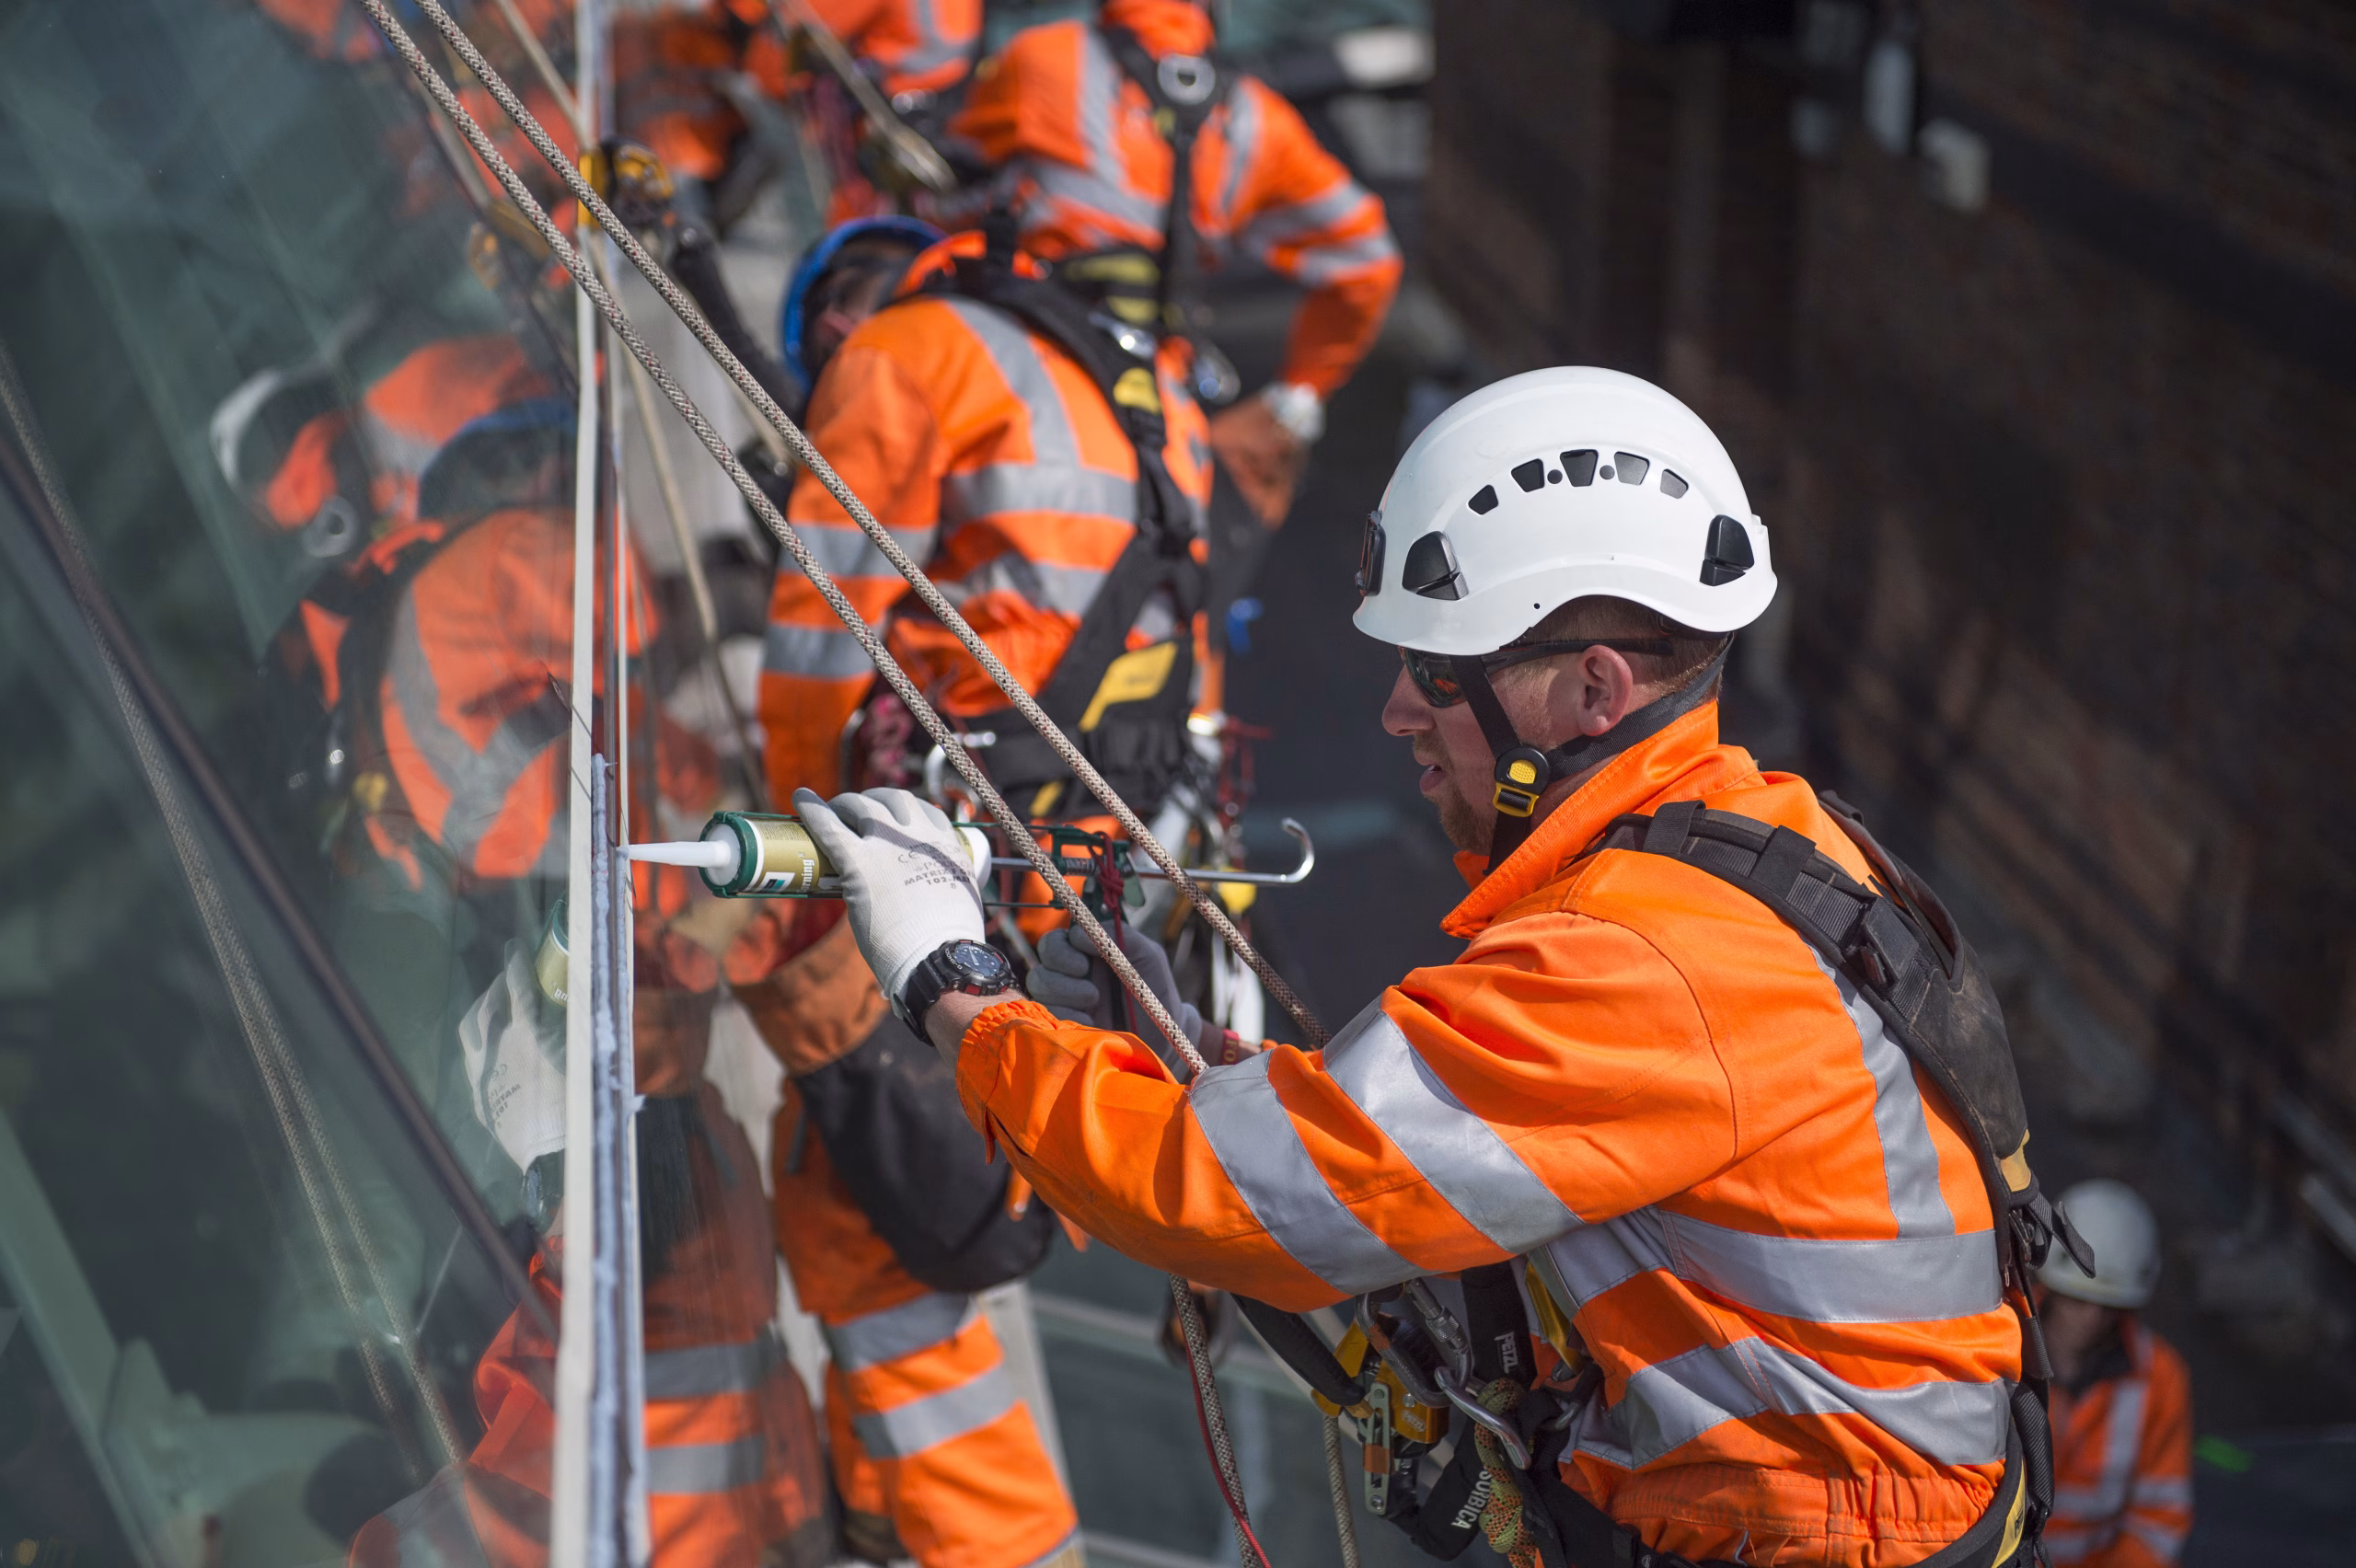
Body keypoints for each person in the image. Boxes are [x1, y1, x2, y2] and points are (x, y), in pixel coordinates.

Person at [796, 366, 2065, 1568]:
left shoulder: (1643, 963)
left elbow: (1231, 1197)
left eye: (1438, 674)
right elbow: (1426, 1141)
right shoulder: (1767, 846)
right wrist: (1184, 1059)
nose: (1399, 709)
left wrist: (954, 989)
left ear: (1595, 690)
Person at [948, 0, 1403, 527]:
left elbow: (951, 187)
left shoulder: (1041, 57)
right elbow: (1369, 260)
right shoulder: (1258, 121)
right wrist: (1293, 400)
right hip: (1159, 408)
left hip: (1010, 357)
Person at [2036, 1181, 2193, 1566]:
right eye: (2080, 1298)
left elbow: (2158, 1519)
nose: (2093, 1317)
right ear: (2051, 1285)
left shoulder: (2159, 1377)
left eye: (2110, 1304)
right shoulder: (1995, 1351)